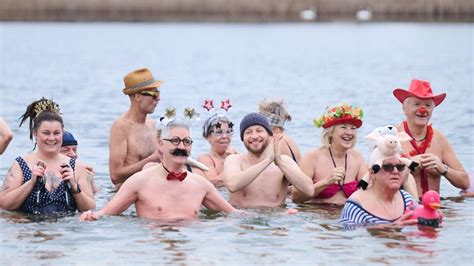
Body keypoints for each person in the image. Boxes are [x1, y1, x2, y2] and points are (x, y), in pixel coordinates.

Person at [80, 119, 237, 221]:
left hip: (190, 247)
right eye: (175, 141)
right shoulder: (140, 181)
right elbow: (106, 213)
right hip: (154, 252)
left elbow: (235, 214)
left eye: (187, 142)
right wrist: (90, 216)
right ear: (161, 145)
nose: (181, 147)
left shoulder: (201, 185)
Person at [0, 98, 95, 214]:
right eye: (46, 133)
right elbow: (4, 204)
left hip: (66, 230)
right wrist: (31, 182)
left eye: (56, 133)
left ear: (62, 132)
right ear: (35, 133)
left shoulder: (75, 166)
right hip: (30, 227)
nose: (51, 138)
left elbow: (90, 208)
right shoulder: (21, 163)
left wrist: (74, 186)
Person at [393, 79, 469, 196]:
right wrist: (409, 164)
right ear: (405, 108)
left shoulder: (439, 139)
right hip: (403, 206)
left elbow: (465, 182)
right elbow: (375, 178)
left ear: (432, 109)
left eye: (427, 105)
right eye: (417, 104)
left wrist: (443, 169)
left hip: (435, 207)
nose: (423, 110)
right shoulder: (392, 137)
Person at [223, 112, 314, 208]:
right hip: (243, 218)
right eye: (248, 132)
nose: (254, 136)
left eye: (259, 130)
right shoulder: (234, 160)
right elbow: (232, 185)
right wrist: (267, 161)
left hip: (275, 219)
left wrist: (279, 163)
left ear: (270, 135)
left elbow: (309, 190)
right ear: (243, 138)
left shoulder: (284, 161)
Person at [291, 103, 367, 205]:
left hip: (345, 217)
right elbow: (295, 197)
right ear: (330, 132)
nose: (349, 132)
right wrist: (326, 182)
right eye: (343, 127)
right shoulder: (313, 157)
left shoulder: (357, 157)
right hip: (318, 216)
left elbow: (369, 192)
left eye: (353, 128)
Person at [109, 68, 162, 188]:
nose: (158, 99)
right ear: (137, 96)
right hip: (129, 198)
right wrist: (152, 159)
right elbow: (115, 176)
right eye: (154, 94)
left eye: (158, 93)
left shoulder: (153, 125)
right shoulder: (121, 126)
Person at [339, 152, 418, 228]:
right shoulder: (356, 206)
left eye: (400, 167)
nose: (395, 171)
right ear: (372, 173)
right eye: (388, 167)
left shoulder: (407, 200)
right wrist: (391, 228)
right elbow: (351, 238)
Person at [192, 110, 237, 186]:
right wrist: (232, 162)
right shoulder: (205, 159)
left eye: (228, 132)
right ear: (208, 137)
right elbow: (215, 183)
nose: (225, 136)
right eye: (219, 132)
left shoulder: (236, 156)